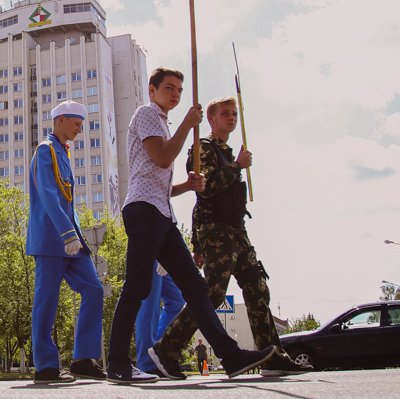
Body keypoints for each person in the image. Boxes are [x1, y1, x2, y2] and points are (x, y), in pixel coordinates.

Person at [106, 68, 276, 383]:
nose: (176, 94)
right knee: (138, 286)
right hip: (143, 211)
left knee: (196, 287)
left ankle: (231, 355)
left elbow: (158, 179)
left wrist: (186, 186)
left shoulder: (163, 123)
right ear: (152, 89)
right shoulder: (146, 114)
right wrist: (187, 123)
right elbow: (159, 158)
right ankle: (117, 362)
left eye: (180, 89)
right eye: (169, 88)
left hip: (162, 212)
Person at [150, 97, 312, 377]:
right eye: (225, 113)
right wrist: (237, 166)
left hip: (237, 229)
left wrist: (236, 164)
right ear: (211, 119)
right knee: (212, 294)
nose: (231, 118)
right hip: (216, 231)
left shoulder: (226, 150)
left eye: (234, 114)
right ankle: (167, 348)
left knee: (258, 288)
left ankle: (272, 356)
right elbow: (205, 189)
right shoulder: (204, 148)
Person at [26, 101, 105, 384]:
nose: (79, 130)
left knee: (94, 290)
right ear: (60, 120)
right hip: (51, 237)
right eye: (76, 124)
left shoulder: (63, 152)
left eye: (81, 126)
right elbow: (47, 193)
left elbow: (66, 200)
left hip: (72, 239)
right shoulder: (45, 150)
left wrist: (75, 235)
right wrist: (66, 233)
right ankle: (45, 367)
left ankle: (83, 359)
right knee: (46, 301)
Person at [134, 262, 184, 375]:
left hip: (164, 251)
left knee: (177, 302)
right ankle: (147, 362)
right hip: (150, 250)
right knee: (149, 305)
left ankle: (158, 350)